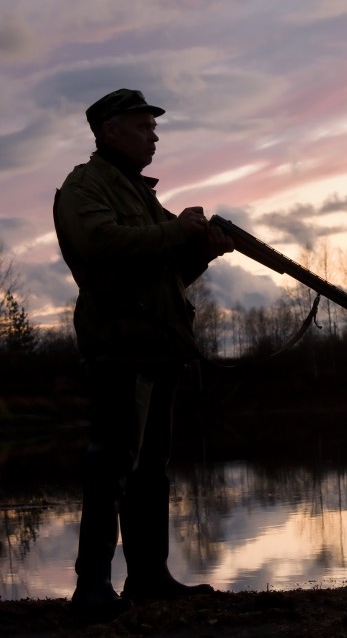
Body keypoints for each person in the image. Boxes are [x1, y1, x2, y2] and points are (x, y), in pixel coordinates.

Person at [54, 89, 234, 613]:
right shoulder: (84, 187)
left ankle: (149, 577)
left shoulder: (138, 193)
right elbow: (101, 245)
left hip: (157, 344)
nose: (154, 135)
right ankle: (92, 587)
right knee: (111, 463)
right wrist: (174, 229)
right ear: (110, 129)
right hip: (118, 343)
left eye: (153, 126)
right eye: (143, 125)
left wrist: (197, 251)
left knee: (152, 468)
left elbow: (164, 274)